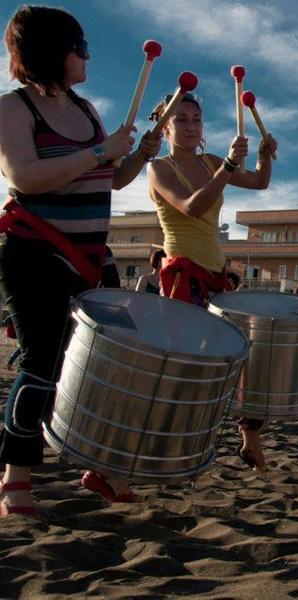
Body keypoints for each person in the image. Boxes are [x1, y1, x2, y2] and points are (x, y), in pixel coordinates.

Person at [0, 6, 162, 515]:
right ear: (52, 49)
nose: (87, 55)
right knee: (41, 364)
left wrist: (137, 154)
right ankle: (15, 479)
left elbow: (109, 180)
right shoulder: (13, 108)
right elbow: (25, 178)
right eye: (80, 46)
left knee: (101, 368)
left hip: (94, 257)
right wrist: (100, 152)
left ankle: (99, 465)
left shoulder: (87, 110)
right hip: (35, 252)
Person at [147, 90, 277, 472]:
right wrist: (228, 168)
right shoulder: (159, 168)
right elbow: (192, 207)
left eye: (196, 119)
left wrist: (264, 154)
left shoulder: (211, 161)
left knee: (239, 360)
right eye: (181, 119)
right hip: (182, 274)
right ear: (166, 125)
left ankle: (250, 440)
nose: (190, 126)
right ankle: (154, 450)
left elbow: (260, 182)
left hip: (217, 276)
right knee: (185, 368)